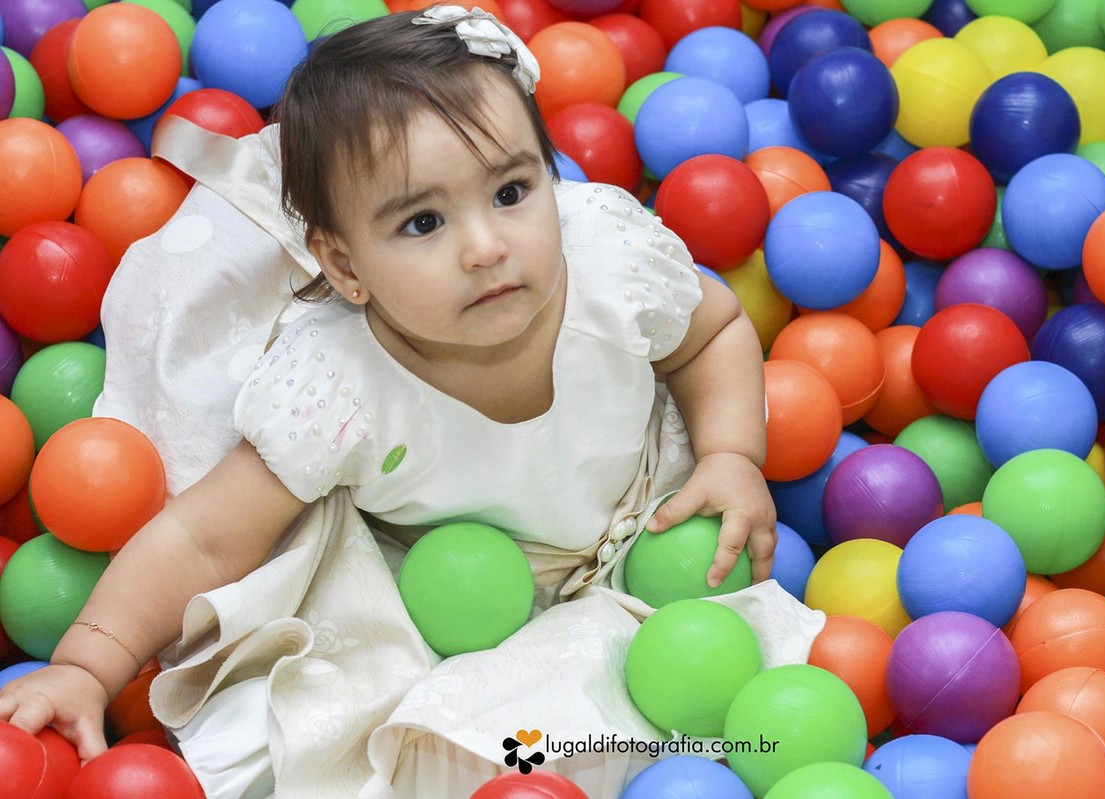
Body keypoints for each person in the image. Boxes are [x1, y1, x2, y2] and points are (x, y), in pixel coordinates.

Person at [0, 7, 823, 797]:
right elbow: (206, 537)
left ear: (549, 174)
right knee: (434, 742)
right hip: (453, 599)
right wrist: (86, 662)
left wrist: (728, 452)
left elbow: (712, 333)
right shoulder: (338, 389)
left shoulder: (609, 263)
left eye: (510, 191)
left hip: (647, 508)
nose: (486, 246)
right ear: (346, 267)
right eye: (423, 222)